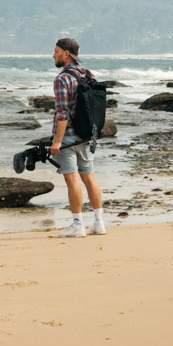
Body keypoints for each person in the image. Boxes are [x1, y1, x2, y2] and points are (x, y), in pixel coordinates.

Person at [49, 37, 105, 237]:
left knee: (72, 180)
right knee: (89, 178)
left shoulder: (62, 79)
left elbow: (62, 113)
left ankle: (77, 225)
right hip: (87, 135)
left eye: (56, 51)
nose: (53, 54)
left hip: (69, 138)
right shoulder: (88, 74)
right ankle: (99, 223)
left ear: (65, 53)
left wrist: (57, 141)